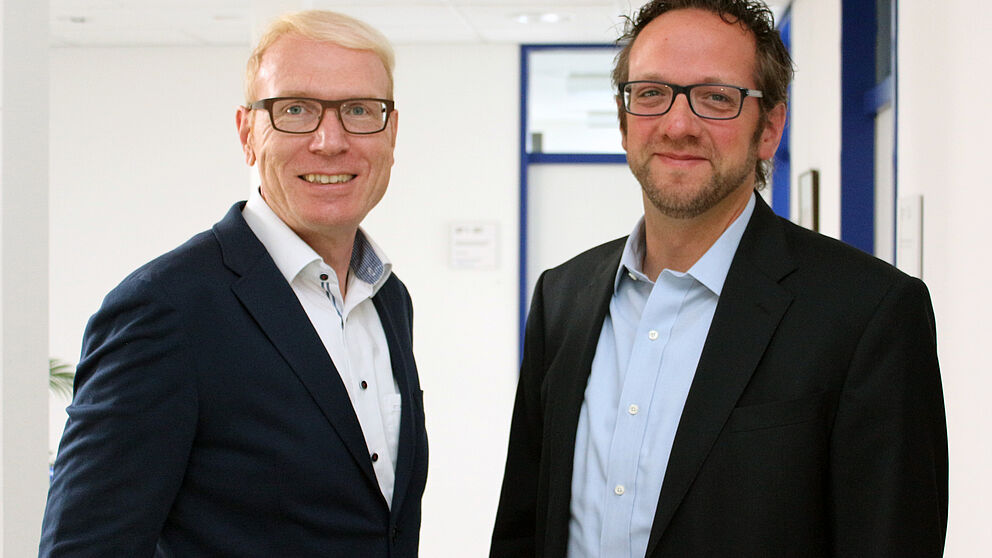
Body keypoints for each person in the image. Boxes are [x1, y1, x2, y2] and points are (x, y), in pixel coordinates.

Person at [490, 0, 947, 556]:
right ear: (623, 117)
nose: (678, 124)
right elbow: (522, 526)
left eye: (715, 98)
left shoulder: (869, 313)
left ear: (769, 128)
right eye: (652, 93)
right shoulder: (564, 296)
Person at [41, 10, 427, 557]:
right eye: (295, 109)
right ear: (248, 133)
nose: (330, 141)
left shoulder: (387, 297)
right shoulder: (168, 307)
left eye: (360, 110)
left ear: (391, 133)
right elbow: (85, 546)